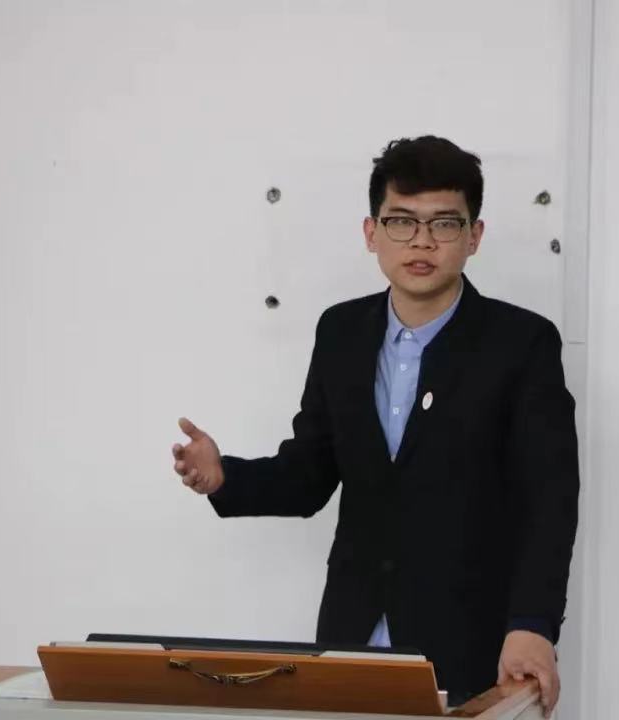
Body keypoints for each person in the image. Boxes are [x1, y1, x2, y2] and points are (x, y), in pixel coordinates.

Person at [172, 136, 578, 715]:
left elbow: (550, 501)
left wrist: (533, 624)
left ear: (474, 236)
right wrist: (225, 477)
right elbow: (310, 475)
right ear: (371, 233)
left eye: (444, 223)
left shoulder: (521, 344)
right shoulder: (341, 333)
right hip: (353, 635)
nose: (422, 241)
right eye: (401, 222)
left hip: (473, 641)